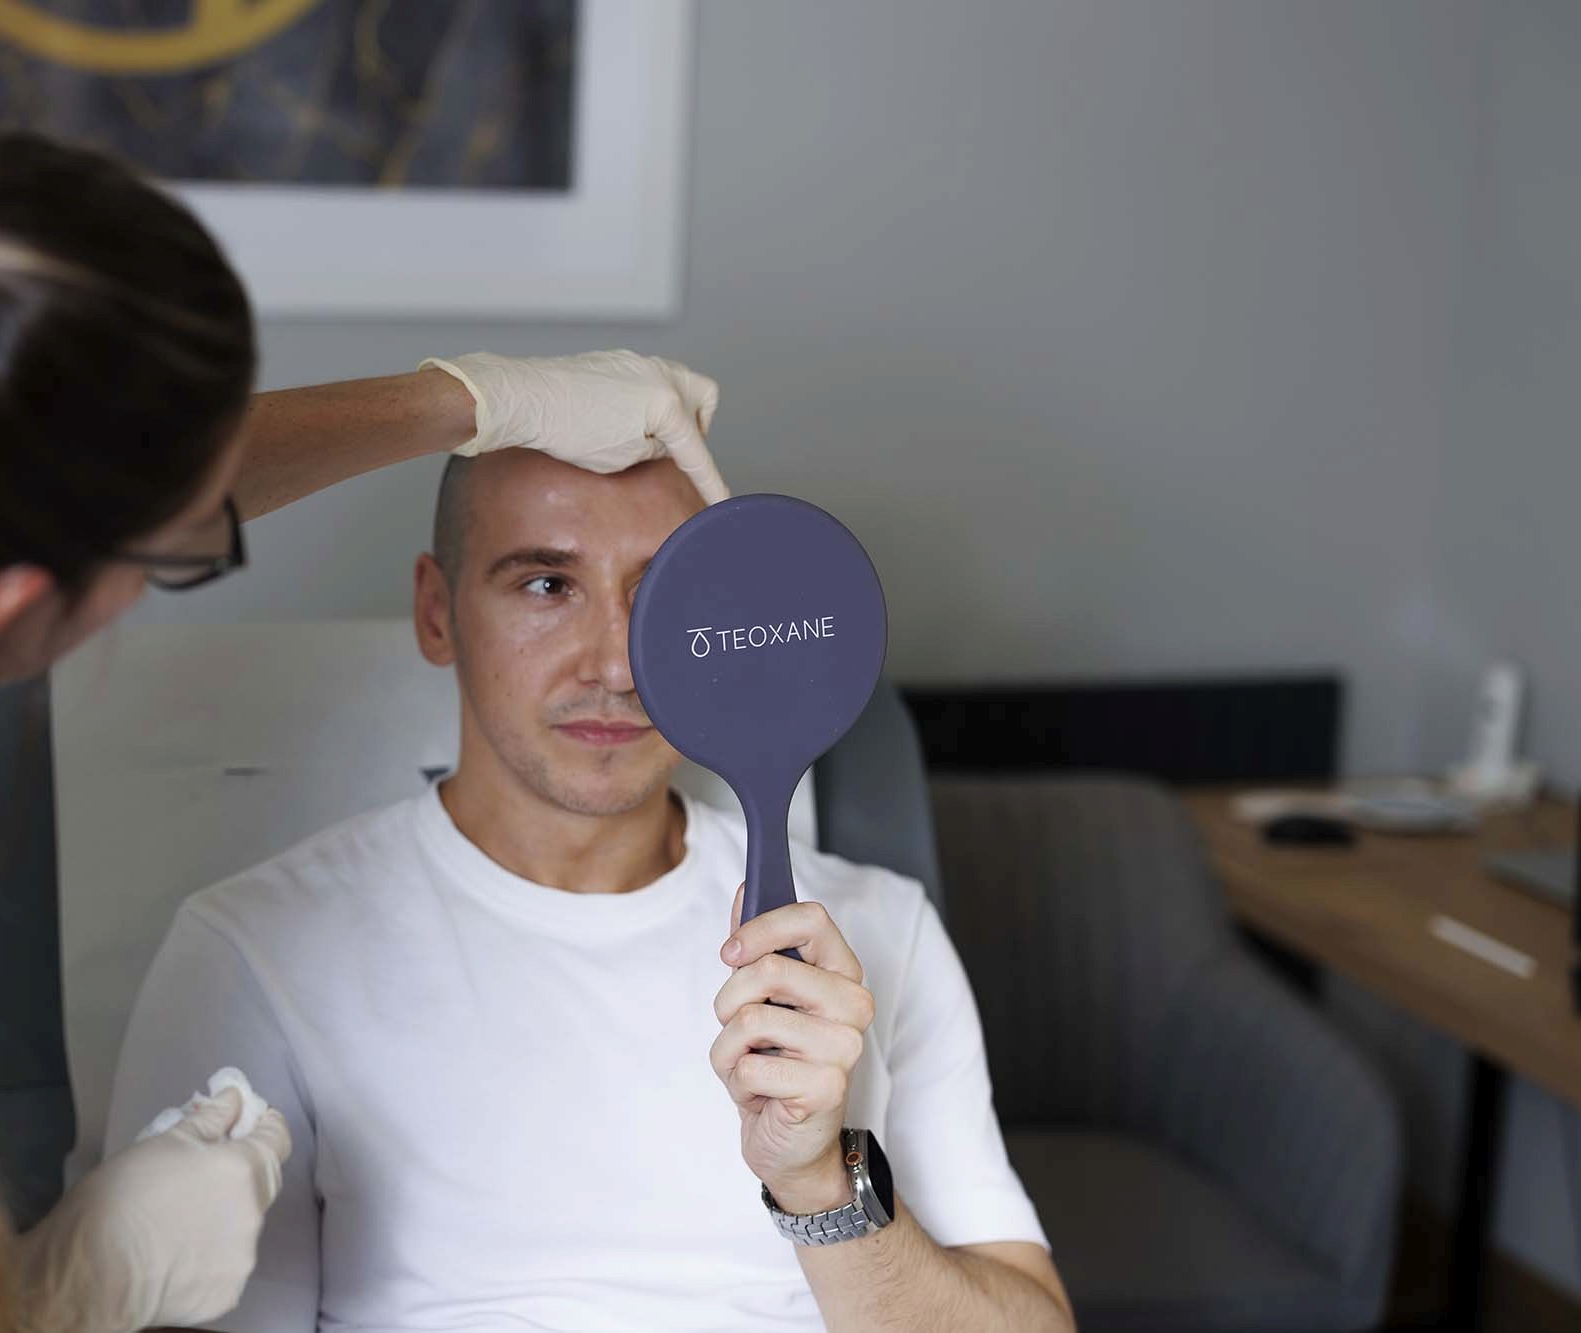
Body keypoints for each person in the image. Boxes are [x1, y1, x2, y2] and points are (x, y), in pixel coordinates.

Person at [0, 131, 725, 1333]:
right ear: (10, 603)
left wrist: (472, 400)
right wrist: (54, 1297)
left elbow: (103, 475)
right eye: (176, 560)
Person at [106, 449, 1076, 1332]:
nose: (615, 665)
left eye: (658, 599)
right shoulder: (254, 949)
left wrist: (822, 1184)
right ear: (437, 611)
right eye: (544, 583)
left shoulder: (875, 929)